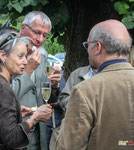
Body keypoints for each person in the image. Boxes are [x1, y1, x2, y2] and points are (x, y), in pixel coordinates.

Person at [56, 19, 134, 150]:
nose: (87, 51)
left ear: (97, 47)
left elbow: (70, 146)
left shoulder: (85, 90)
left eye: (88, 45)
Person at [0, 33, 52, 150]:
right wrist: (34, 119)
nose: (25, 62)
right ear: (3, 56)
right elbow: (13, 138)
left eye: (25, 56)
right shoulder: (3, 89)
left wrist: (16, 112)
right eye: (20, 56)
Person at [11, 11, 61, 150]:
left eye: (44, 35)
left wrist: (54, 86)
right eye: (36, 32)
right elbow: (0, 97)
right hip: (12, 134)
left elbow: (46, 98)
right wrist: (28, 70)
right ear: (23, 28)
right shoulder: (1, 53)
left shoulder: (42, 58)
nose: (39, 39)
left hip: (39, 138)